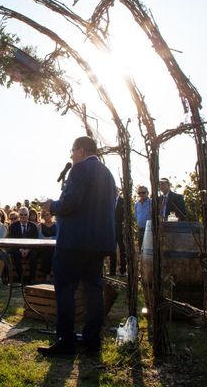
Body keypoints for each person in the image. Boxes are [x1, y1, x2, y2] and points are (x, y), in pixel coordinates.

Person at [39, 136, 116, 356]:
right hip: (98, 243)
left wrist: (51, 205)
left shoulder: (80, 169)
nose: (71, 155)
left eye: (72, 151)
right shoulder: (107, 174)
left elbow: (71, 203)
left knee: (65, 289)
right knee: (93, 291)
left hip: (74, 243)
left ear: (81, 150)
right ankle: (92, 341)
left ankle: (66, 341)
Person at [8, 207, 39, 284]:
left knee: (34, 255)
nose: (23, 216)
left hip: (30, 249)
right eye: (21, 214)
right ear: (19, 215)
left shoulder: (33, 226)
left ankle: (32, 279)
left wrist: (28, 250)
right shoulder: (13, 226)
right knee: (15, 253)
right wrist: (21, 250)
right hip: (18, 249)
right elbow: (12, 240)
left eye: (25, 214)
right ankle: (20, 278)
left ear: (28, 216)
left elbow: (35, 240)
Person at [109, 191, 127, 276]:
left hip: (120, 228)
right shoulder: (109, 201)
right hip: (111, 228)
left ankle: (123, 270)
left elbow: (125, 216)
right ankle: (112, 271)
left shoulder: (123, 201)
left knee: (122, 248)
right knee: (112, 248)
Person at [38, 209, 57, 280]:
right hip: (44, 246)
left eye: (48, 214)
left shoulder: (57, 224)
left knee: (55, 253)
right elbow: (40, 237)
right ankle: (47, 274)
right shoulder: (40, 225)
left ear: (51, 215)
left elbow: (58, 236)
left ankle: (55, 274)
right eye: (44, 215)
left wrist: (50, 238)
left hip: (55, 246)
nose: (46, 216)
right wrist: (47, 239)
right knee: (46, 252)